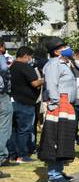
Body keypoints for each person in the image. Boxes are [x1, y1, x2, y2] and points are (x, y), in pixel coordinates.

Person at [38, 38, 79, 182]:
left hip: (66, 105)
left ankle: (59, 170)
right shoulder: (53, 64)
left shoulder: (65, 63)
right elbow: (51, 84)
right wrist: (55, 103)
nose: (67, 48)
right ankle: (53, 175)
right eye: (63, 47)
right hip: (59, 105)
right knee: (55, 138)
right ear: (56, 51)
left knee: (63, 139)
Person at [9, 47, 43, 164]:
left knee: (13, 130)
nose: (31, 59)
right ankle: (22, 155)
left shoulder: (12, 66)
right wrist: (44, 79)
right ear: (26, 56)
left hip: (12, 101)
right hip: (25, 103)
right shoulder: (26, 67)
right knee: (24, 130)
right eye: (30, 57)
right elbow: (34, 83)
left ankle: (12, 154)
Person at [0, 42, 12, 172]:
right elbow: (4, 69)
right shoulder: (1, 57)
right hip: (1, 95)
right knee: (4, 126)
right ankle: (2, 156)